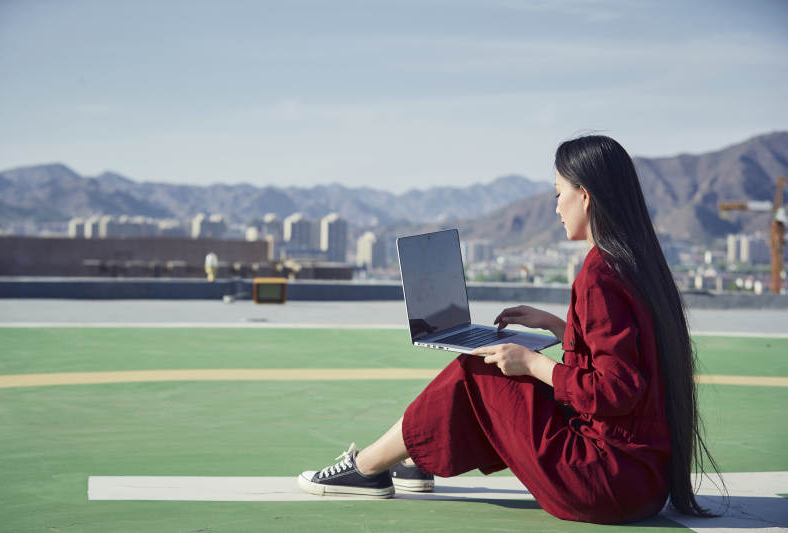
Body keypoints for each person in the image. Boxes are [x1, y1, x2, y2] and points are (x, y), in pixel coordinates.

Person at [297, 135, 719, 524]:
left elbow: (615, 390)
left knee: (475, 369)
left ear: (585, 196)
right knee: (491, 370)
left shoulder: (599, 274)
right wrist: (560, 326)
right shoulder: (635, 263)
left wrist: (533, 364)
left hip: (603, 483)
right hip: (641, 482)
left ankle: (368, 468)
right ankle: (414, 459)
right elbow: (629, 364)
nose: (556, 207)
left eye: (559, 194)